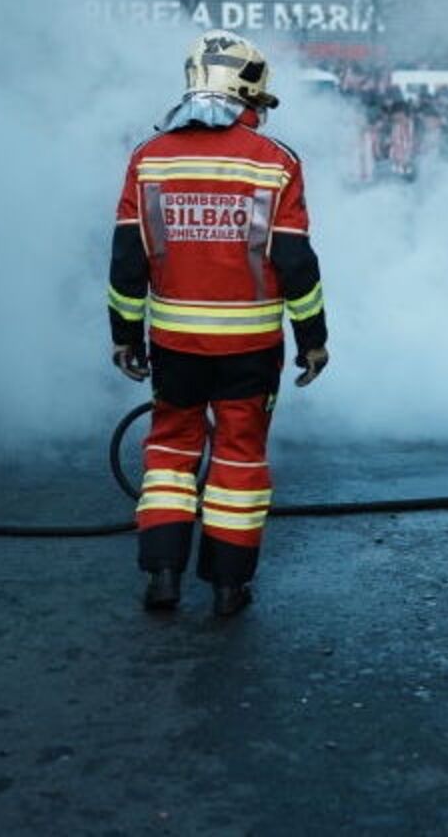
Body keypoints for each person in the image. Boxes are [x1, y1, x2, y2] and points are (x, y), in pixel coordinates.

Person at [108, 30, 331, 617]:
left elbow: (127, 260)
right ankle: (229, 587)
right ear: (246, 93)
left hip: (174, 344)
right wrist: (314, 339)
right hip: (251, 348)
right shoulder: (275, 162)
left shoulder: (148, 159)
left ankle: (162, 576)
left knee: (170, 452)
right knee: (239, 457)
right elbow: (295, 262)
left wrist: (125, 335)